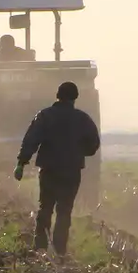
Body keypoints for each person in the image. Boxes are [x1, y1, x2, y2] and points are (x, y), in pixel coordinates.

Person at [13, 81, 100, 256]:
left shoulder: (45, 116)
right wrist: (79, 152)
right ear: (75, 97)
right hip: (71, 171)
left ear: (57, 96)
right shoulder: (83, 119)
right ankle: (60, 251)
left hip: (49, 170)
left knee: (45, 208)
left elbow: (31, 140)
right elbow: (93, 145)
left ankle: (41, 248)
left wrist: (21, 163)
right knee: (64, 211)